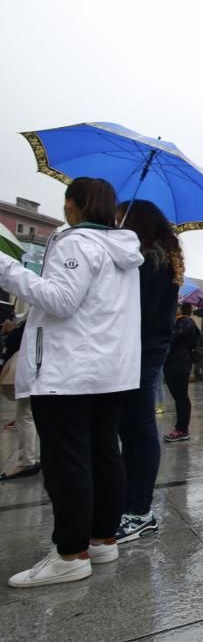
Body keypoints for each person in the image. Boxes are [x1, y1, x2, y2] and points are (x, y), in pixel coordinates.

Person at [0, 177, 142, 587]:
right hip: (109, 369)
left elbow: (62, 300)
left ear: (72, 205)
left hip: (69, 369)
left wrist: (8, 269)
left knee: (68, 461)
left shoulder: (76, 243)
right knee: (102, 453)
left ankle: (70, 553)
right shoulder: (122, 253)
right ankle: (101, 538)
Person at [115, 199, 182, 543]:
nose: (116, 220)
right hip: (142, 351)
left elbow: (136, 309)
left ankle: (140, 511)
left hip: (141, 352)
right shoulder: (157, 258)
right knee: (133, 428)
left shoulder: (150, 260)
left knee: (139, 429)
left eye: (121, 215)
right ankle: (132, 504)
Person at [0, 315, 40, 480]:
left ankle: (26, 461)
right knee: (30, 415)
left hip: (36, 369)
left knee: (25, 415)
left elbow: (19, 338)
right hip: (46, 371)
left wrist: (12, 329)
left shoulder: (41, 310)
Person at [163, 303, 202, 442]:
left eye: (177, 305)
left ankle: (182, 429)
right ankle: (180, 428)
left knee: (181, 396)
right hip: (171, 362)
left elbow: (172, 337)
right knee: (177, 396)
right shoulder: (176, 321)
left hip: (180, 362)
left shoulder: (186, 322)